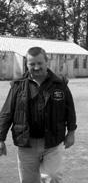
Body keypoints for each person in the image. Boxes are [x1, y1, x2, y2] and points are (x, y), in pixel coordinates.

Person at [0, 46, 77, 183]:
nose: (36, 67)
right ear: (27, 64)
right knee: (28, 181)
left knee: (52, 177)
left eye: (39, 63)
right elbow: (7, 112)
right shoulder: (18, 85)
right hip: (26, 143)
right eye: (32, 64)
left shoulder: (59, 84)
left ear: (47, 62)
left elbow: (69, 110)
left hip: (53, 142)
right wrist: (0, 138)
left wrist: (71, 132)